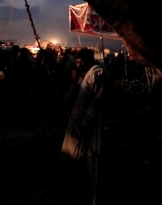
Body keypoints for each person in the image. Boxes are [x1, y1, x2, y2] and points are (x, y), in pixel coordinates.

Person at [60, 48, 110, 205]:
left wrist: (85, 124)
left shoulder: (97, 72)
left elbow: (97, 103)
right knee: (72, 162)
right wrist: (74, 83)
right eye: (76, 62)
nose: (78, 65)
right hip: (74, 127)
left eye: (79, 61)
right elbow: (67, 101)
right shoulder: (82, 76)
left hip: (86, 128)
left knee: (87, 164)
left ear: (86, 59)